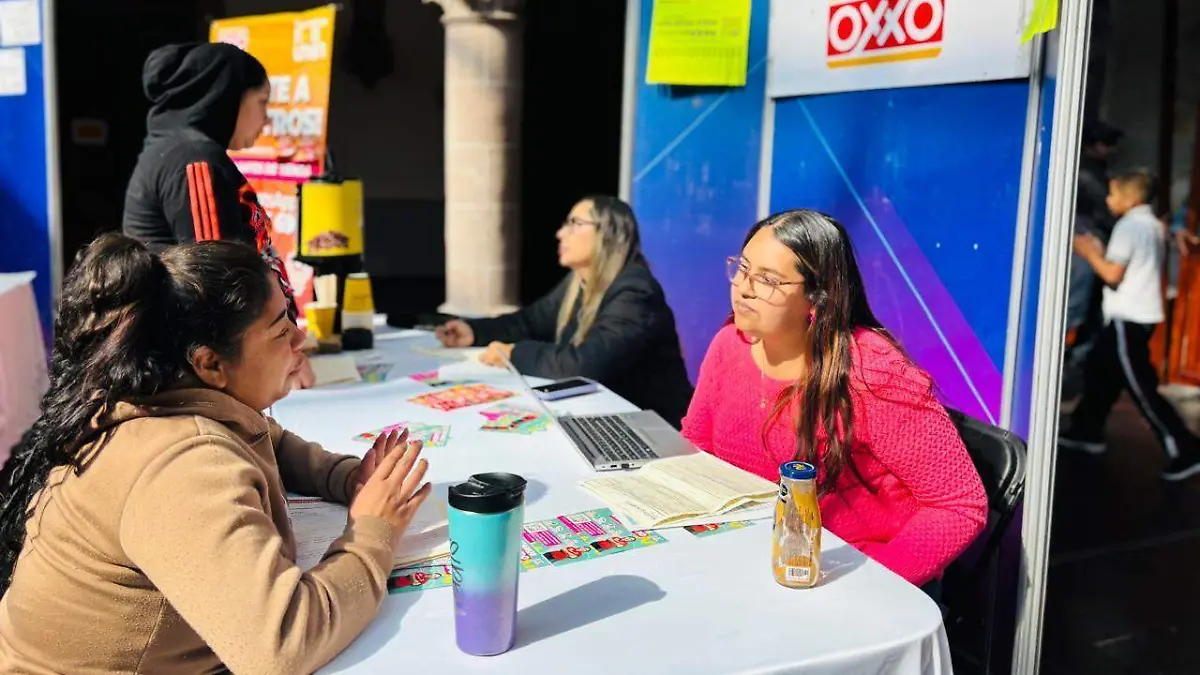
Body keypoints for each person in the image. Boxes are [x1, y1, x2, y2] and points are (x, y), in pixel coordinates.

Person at [0, 235, 432, 673]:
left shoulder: (163, 393)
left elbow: (266, 437)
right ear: (210, 364)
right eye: (281, 330)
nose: (300, 340)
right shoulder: (182, 464)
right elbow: (282, 645)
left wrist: (346, 478)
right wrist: (373, 533)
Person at [680, 209, 987, 590]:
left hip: (851, 575)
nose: (743, 288)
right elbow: (698, 447)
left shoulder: (874, 373)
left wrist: (871, 585)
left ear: (816, 300)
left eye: (768, 280)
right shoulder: (729, 345)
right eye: (742, 269)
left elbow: (959, 504)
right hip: (756, 563)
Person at [121, 42, 315, 387]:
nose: (267, 118)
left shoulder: (187, 150)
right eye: (262, 102)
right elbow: (220, 282)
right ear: (227, 96)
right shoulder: (193, 158)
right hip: (201, 375)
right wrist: (283, 357)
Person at [435, 196, 694, 428]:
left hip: (655, 428)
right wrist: (474, 331)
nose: (561, 233)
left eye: (575, 223)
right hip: (608, 417)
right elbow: (530, 321)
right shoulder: (578, 282)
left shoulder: (635, 291)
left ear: (609, 233)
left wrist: (513, 353)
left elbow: (587, 363)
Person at [1061, 169, 1200, 480]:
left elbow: (1112, 274)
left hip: (1128, 318)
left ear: (1130, 197)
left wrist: (1087, 252)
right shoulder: (1152, 224)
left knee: (1141, 388)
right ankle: (1087, 430)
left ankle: (1185, 448)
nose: (1108, 200)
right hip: (1135, 317)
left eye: (1113, 194)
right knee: (1101, 372)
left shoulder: (1128, 226)